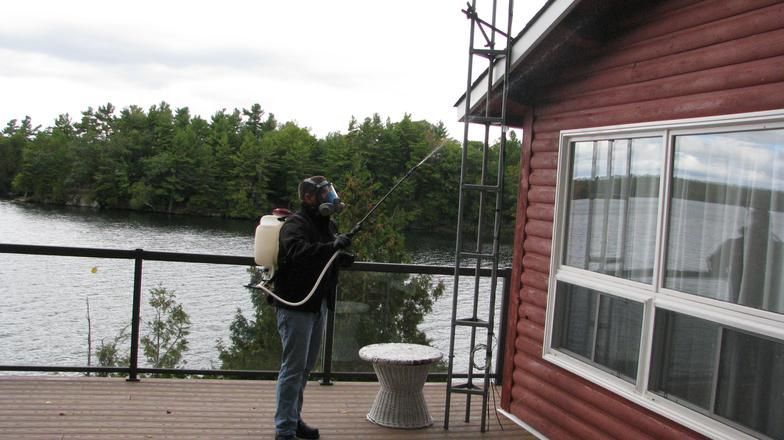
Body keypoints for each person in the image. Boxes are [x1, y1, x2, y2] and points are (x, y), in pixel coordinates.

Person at [271, 176, 353, 440]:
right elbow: (299, 253)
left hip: (318, 305)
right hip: (295, 305)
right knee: (292, 369)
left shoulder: (327, 225)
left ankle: (294, 420)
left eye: (331, 192)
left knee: (304, 368)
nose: (330, 197)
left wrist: (340, 257)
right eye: (325, 193)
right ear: (308, 197)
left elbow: (325, 257)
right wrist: (332, 247)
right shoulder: (295, 224)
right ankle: (284, 430)